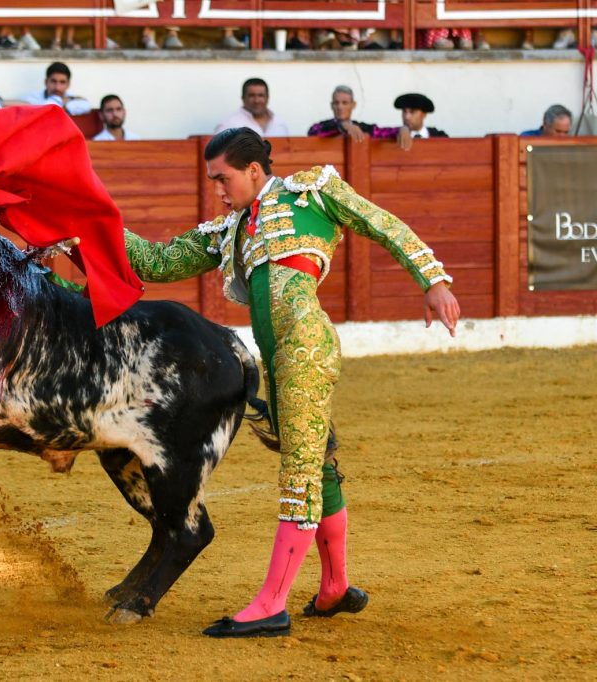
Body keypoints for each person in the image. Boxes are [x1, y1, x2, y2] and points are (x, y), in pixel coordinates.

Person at [120, 127, 460, 638]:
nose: (217, 189)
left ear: (254, 170)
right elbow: (158, 261)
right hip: (277, 355)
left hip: (305, 346)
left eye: (223, 178)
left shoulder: (311, 191)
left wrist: (433, 280)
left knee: (299, 473)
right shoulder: (232, 229)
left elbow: (381, 223)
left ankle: (271, 604)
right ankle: (335, 587)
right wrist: (96, 222)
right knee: (316, 465)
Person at [373, 93, 448, 151]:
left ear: (424, 114)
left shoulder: (439, 137)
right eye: (404, 111)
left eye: (412, 112)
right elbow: (369, 130)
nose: (407, 117)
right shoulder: (394, 134)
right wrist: (401, 129)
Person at [214, 78, 289, 137]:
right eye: (251, 96)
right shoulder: (228, 125)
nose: (256, 101)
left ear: (267, 98)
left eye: (261, 95)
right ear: (243, 98)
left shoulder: (279, 123)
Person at [307, 85, 375, 142]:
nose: (340, 107)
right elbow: (312, 132)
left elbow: (380, 133)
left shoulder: (360, 127)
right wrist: (342, 126)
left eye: (345, 103)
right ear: (332, 105)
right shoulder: (323, 127)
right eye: (336, 103)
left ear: (353, 105)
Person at [24, 62, 92, 115]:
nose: (57, 87)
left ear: (68, 84)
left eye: (62, 82)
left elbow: (86, 106)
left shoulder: (71, 97)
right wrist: (61, 102)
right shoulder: (34, 97)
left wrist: (65, 105)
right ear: (46, 82)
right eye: (53, 81)